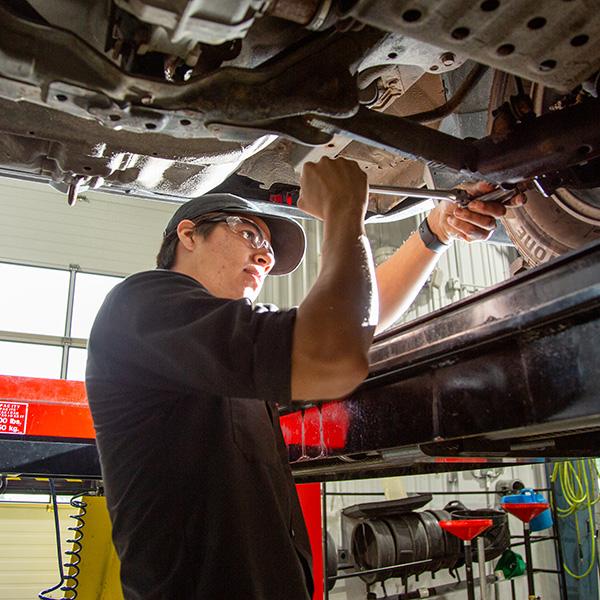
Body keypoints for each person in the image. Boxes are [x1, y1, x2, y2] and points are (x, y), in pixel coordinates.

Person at [86, 157, 524, 599]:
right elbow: (337, 347)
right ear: (188, 233)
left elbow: (357, 325)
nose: (264, 255)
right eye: (249, 233)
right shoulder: (142, 305)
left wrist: (435, 232)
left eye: (268, 249)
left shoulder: (226, 349)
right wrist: (343, 213)